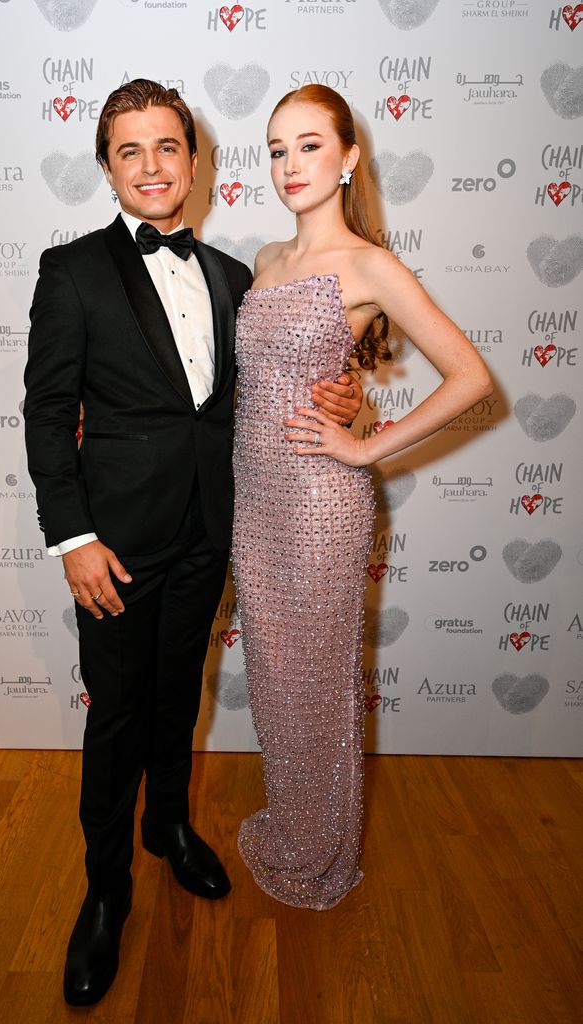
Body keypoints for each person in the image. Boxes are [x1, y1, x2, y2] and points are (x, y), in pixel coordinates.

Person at [23, 79, 362, 1005]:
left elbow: (271, 390)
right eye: (129, 151)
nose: (151, 166)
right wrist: (75, 538)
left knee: (182, 698)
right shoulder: (71, 271)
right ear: (107, 168)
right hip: (116, 547)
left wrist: (347, 398)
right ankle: (104, 894)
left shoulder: (232, 275)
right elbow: (49, 415)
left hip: (213, 530)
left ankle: (168, 828)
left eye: (167, 146)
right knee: (118, 715)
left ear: (194, 157)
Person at [232, 84, 493, 910]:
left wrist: (366, 443)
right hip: (254, 499)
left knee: (319, 678)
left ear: (347, 159)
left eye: (309, 145)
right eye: (277, 149)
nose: (289, 165)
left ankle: (322, 853)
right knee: (276, 676)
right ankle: (292, 821)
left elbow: (471, 377)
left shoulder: (369, 266)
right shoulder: (266, 263)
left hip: (319, 506)